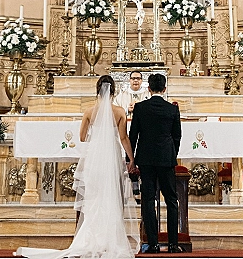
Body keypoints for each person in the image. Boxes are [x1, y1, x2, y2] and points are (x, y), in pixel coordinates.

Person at [18, 75, 139, 259]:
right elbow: (123, 138)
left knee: (94, 196)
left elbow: (82, 138)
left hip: (95, 158)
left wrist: (97, 136)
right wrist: (131, 160)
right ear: (113, 91)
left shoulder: (89, 112)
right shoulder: (120, 111)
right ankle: (110, 239)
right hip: (112, 156)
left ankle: (91, 239)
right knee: (112, 195)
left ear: (97, 90)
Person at [129, 73, 182, 253]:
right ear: (164, 89)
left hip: (146, 159)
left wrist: (132, 160)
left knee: (148, 200)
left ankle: (153, 244)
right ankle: (174, 244)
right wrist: (171, 153)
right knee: (172, 200)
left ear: (149, 89)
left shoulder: (140, 108)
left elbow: (133, 135)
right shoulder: (172, 109)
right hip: (166, 159)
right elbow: (177, 136)